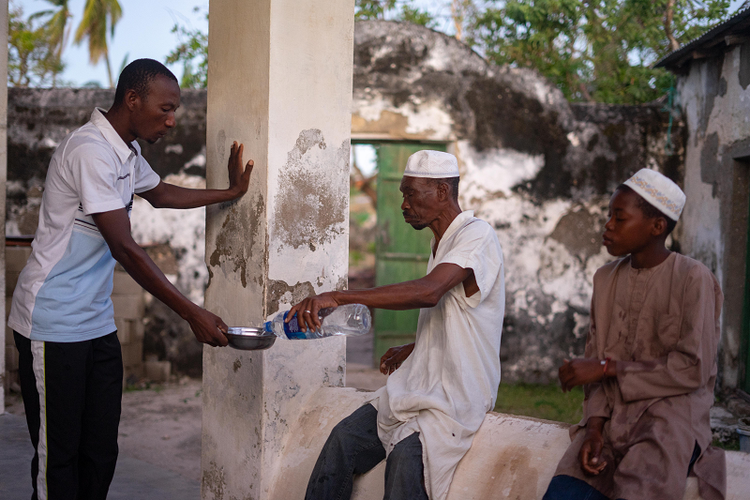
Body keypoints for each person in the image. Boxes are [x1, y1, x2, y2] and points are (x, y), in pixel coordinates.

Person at [9, 59, 253, 500]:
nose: (172, 120)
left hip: (96, 323)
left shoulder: (127, 151)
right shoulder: (90, 150)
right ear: (132, 99)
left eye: (175, 109)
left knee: (100, 452)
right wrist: (190, 312)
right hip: (52, 321)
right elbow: (125, 247)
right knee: (58, 458)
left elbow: (160, 194)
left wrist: (230, 194)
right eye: (165, 109)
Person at [290, 150, 505, 500]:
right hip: (420, 383)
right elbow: (459, 316)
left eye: (410, 194)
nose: (403, 204)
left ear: (441, 192)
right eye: (403, 195)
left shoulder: (477, 236)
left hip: (456, 396)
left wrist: (340, 297)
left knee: (406, 460)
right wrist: (417, 348)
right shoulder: (442, 242)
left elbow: (429, 292)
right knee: (343, 440)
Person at [543, 169, 725, 500]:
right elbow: (595, 356)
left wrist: (605, 367)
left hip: (668, 423)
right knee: (564, 491)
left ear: (657, 227)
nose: (608, 225)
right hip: (612, 421)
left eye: (619, 217)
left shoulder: (693, 278)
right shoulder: (605, 278)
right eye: (609, 215)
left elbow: (692, 369)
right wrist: (594, 429)